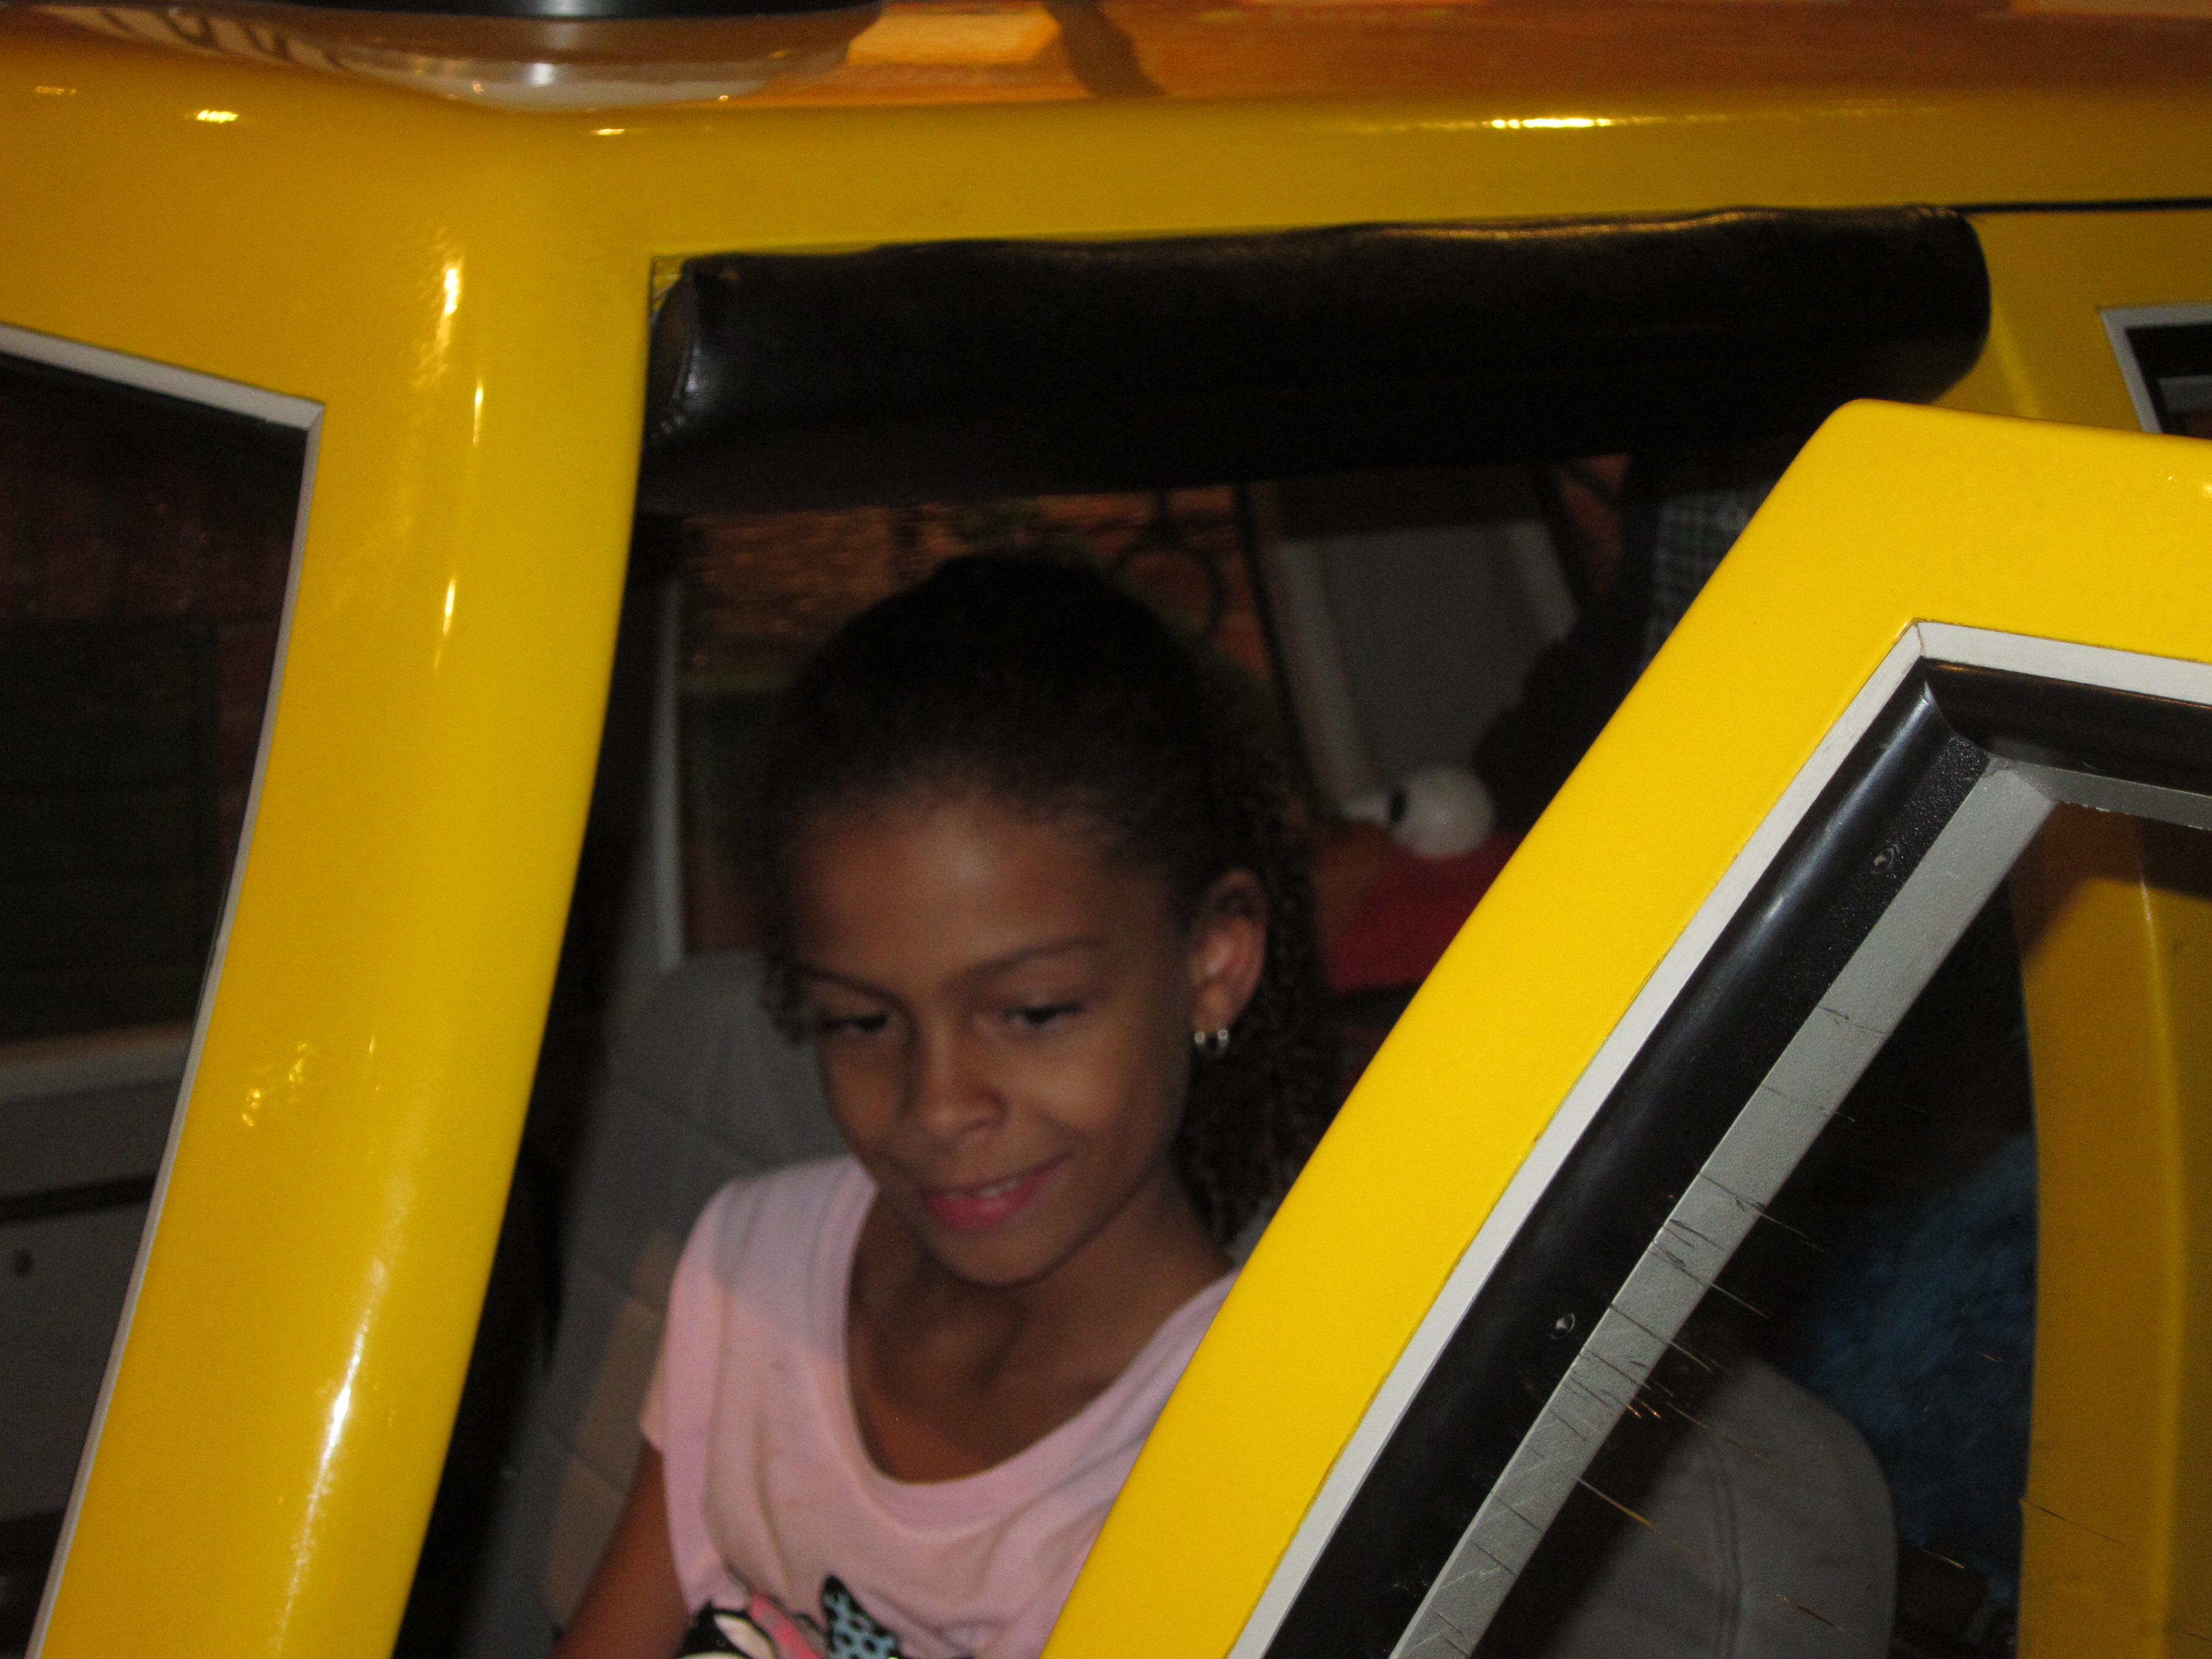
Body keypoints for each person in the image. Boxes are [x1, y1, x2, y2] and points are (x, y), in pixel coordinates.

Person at [553, 555, 1332, 1659]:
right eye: (861, 1022)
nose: (937, 1105)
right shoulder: (754, 1268)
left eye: (1034, 1012)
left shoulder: (1232, 1455)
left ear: (1213, 963)